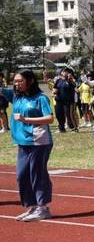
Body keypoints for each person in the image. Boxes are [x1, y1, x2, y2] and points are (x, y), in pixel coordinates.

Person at [12, 69, 55, 222]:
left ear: (30, 81)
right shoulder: (17, 97)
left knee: (37, 173)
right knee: (21, 175)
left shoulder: (40, 98)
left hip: (39, 141)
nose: (17, 84)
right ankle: (32, 206)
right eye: (15, 81)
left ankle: (42, 207)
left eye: (20, 81)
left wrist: (26, 119)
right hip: (22, 142)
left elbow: (50, 119)